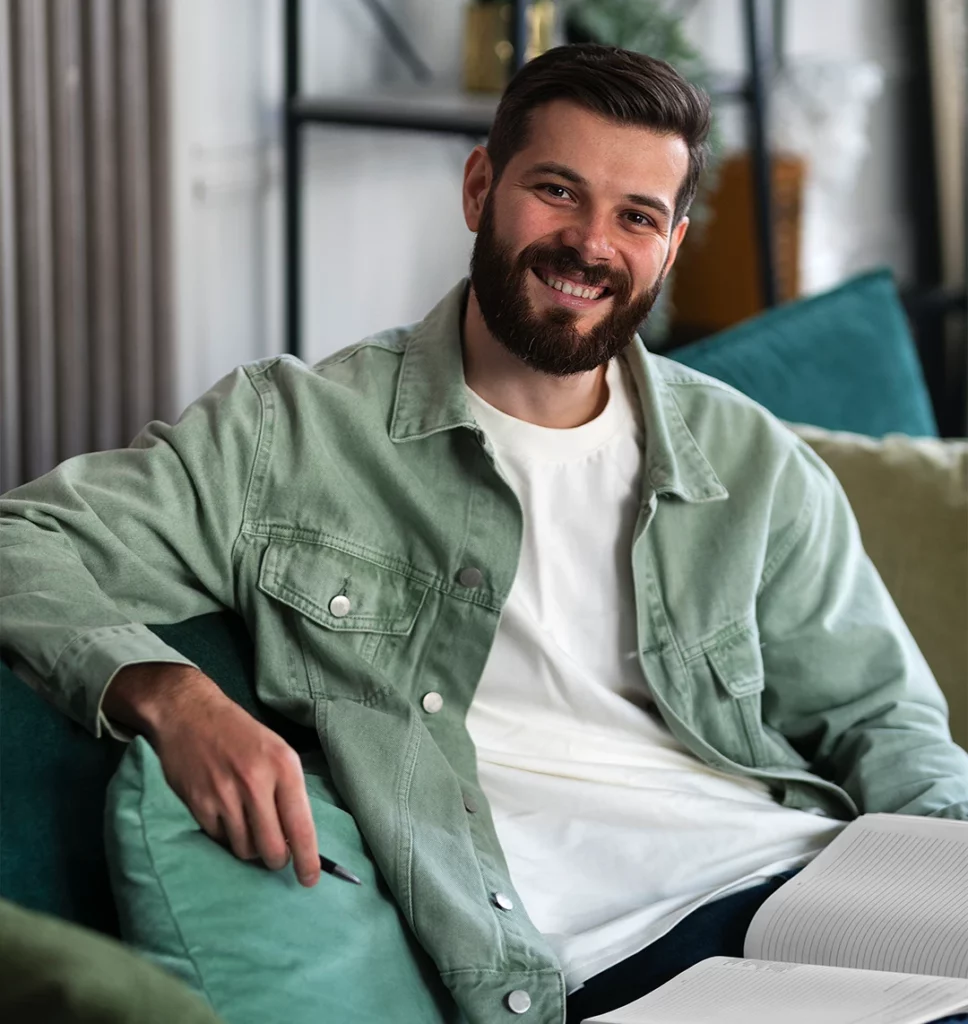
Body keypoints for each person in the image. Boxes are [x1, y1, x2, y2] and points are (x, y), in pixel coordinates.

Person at [2, 44, 966, 1024]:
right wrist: (168, 692)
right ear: (479, 188)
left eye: (634, 216)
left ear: (669, 248)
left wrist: (946, 864)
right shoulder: (290, 432)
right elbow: (22, 538)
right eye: (557, 191)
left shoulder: (748, 460)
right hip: (629, 957)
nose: (589, 243)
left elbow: (880, 717)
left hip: (821, 875)